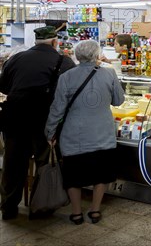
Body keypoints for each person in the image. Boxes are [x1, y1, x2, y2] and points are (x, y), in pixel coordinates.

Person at [45, 40, 125, 225]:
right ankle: (95, 210)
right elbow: (119, 101)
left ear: (76, 55)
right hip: (102, 133)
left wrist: (50, 132)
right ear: (97, 55)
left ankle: (76, 212)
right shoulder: (109, 73)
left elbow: (57, 109)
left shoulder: (66, 77)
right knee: (101, 174)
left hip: (74, 135)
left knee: (74, 175)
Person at [0, 26, 75, 220]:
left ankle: (9, 207)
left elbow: (4, 86)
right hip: (44, 120)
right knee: (45, 163)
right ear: (55, 42)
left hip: (14, 118)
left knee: (13, 163)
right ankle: (40, 207)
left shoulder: (16, 58)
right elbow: (70, 92)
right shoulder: (63, 61)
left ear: (35, 41)